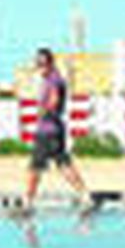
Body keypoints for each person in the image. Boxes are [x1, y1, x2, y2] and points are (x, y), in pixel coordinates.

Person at [21, 47, 93, 214]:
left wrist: (44, 110)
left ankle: (27, 202)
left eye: (42, 64)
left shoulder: (54, 80)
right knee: (63, 164)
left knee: (35, 167)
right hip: (55, 129)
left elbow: (54, 101)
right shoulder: (52, 79)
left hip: (47, 131)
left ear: (50, 63)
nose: (39, 67)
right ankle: (85, 195)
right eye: (37, 63)